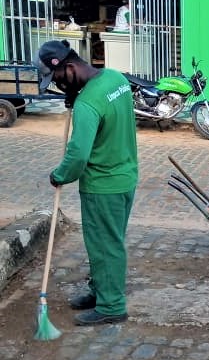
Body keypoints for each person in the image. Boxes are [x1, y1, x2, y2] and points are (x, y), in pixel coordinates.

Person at [37, 39, 138, 326]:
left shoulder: (87, 105)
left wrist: (60, 175)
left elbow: (78, 155)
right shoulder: (114, 78)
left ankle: (112, 306)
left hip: (102, 186)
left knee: (105, 246)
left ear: (69, 68)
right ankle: (100, 291)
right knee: (107, 242)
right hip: (125, 177)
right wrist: (79, 94)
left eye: (56, 79)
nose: (57, 86)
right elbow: (109, 113)